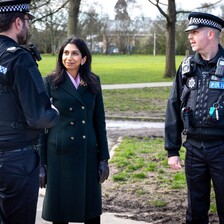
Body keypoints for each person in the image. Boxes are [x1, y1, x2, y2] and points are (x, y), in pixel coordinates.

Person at [38, 36, 110, 224]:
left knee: (91, 213)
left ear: (84, 58)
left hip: (88, 154)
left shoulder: (93, 82)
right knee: (60, 213)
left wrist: (104, 158)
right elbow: (41, 126)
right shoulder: (50, 82)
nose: (69, 57)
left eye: (75, 53)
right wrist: (41, 163)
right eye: (66, 53)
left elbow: (99, 122)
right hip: (59, 155)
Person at [0, 0, 60, 223]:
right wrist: (54, 112)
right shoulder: (20, 58)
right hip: (17, 161)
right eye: (27, 20)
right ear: (18, 22)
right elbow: (38, 116)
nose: (28, 26)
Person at [164, 12, 224, 224]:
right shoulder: (187, 68)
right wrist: (172, 150)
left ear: (210, 34)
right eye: (189, 32)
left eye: (194, 32)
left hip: (222, 149)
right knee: (195, 209)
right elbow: (173, 107)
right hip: (194, 150)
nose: (189, 36)